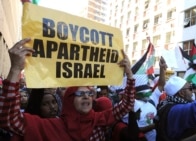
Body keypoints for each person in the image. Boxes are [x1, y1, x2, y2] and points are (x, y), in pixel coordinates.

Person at [0, 38, 135, 141]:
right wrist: (15, 69)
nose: (86, 96)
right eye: (80, 93)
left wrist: (129, 75)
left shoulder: (100, 120)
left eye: (89, 93)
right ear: (69, 100)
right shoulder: (51, 126)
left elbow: (127, 104)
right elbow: (9, 120)